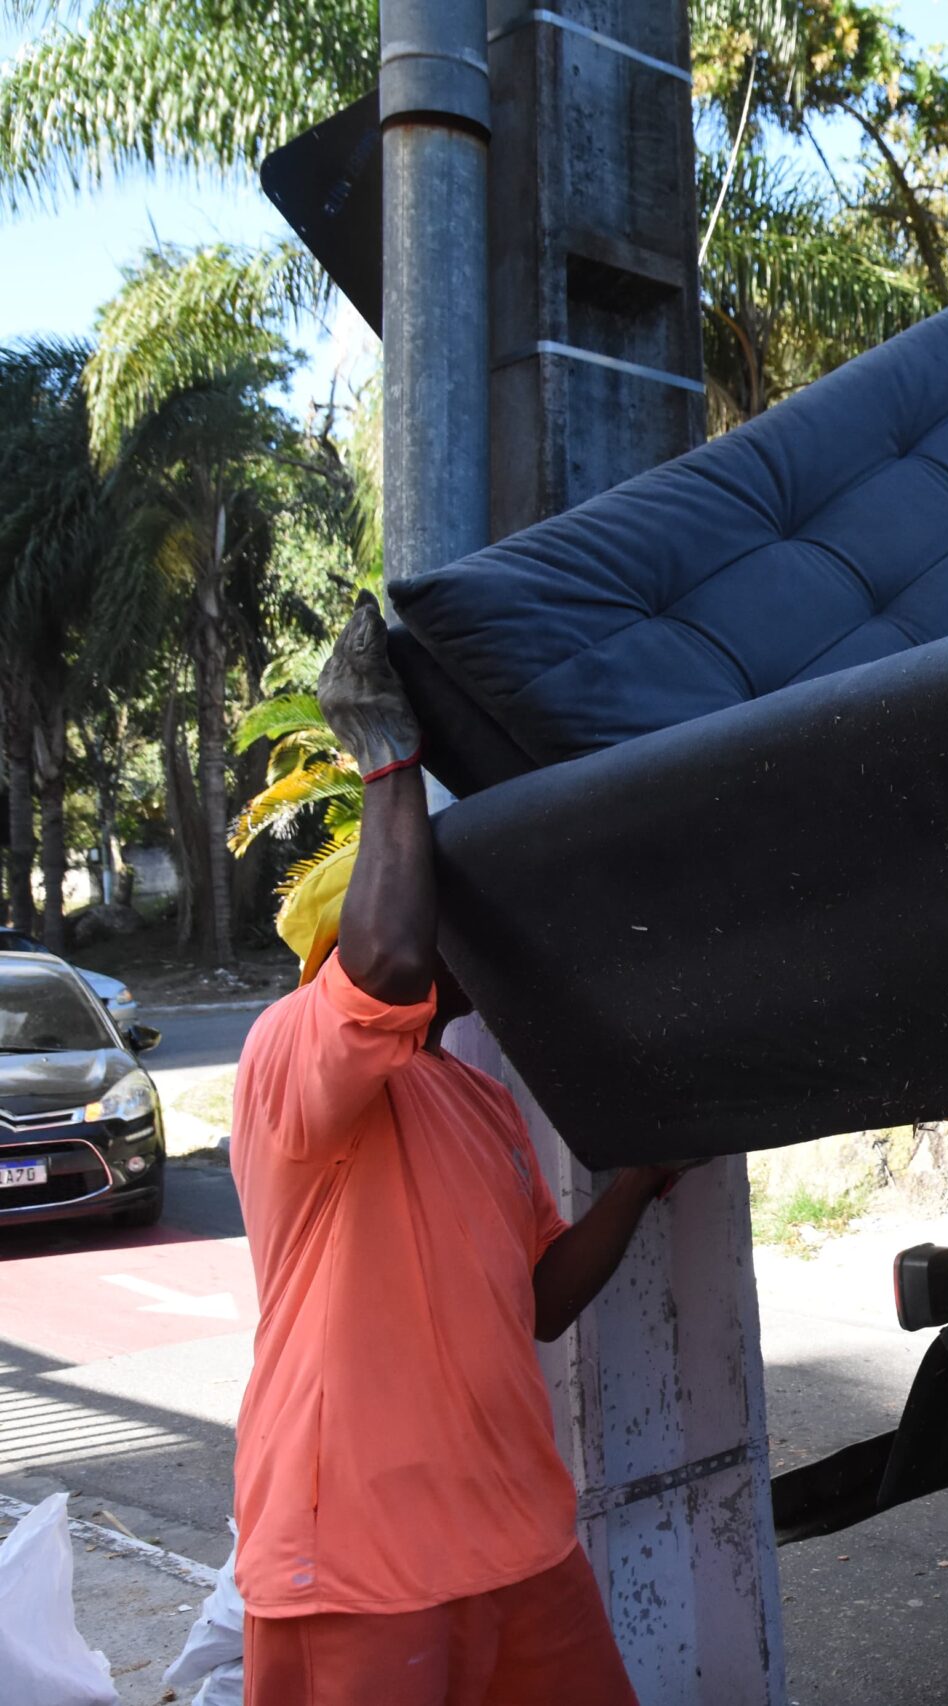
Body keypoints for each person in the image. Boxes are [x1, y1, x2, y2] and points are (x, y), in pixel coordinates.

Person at [230, 594, 685, 1705]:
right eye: (449, 914)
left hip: (518, 1544)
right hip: (357, 1565)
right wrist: (389, 760)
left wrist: (638, 1183)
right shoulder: (290, 1052)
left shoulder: (478, 1101)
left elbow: (538, 1300)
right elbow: (391, 958)